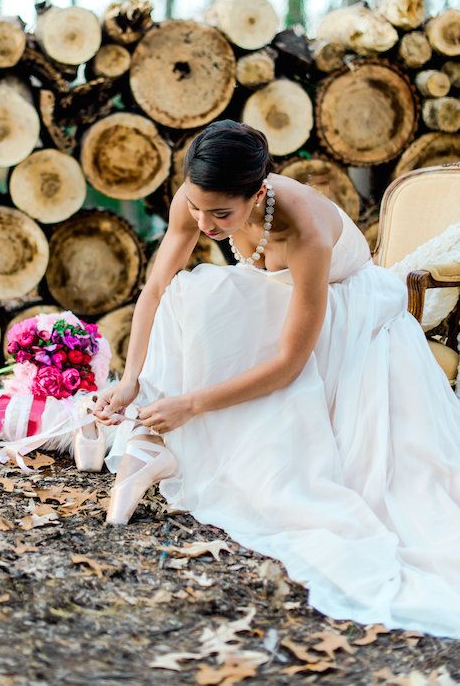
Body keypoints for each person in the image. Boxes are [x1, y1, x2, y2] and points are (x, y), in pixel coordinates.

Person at [93, 119, 460, 638]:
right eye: (197, 208)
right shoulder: (194, 203)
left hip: (342, 315)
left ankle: (185, 435)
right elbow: (154, 290)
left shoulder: (304, 227)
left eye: (221, 214)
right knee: (189, 295)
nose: (205, 224)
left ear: (259, 192)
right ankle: (149, 440)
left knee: (226, 319)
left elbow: (290, 361)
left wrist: (193, 404)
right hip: (270, 295)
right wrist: (131, 378)